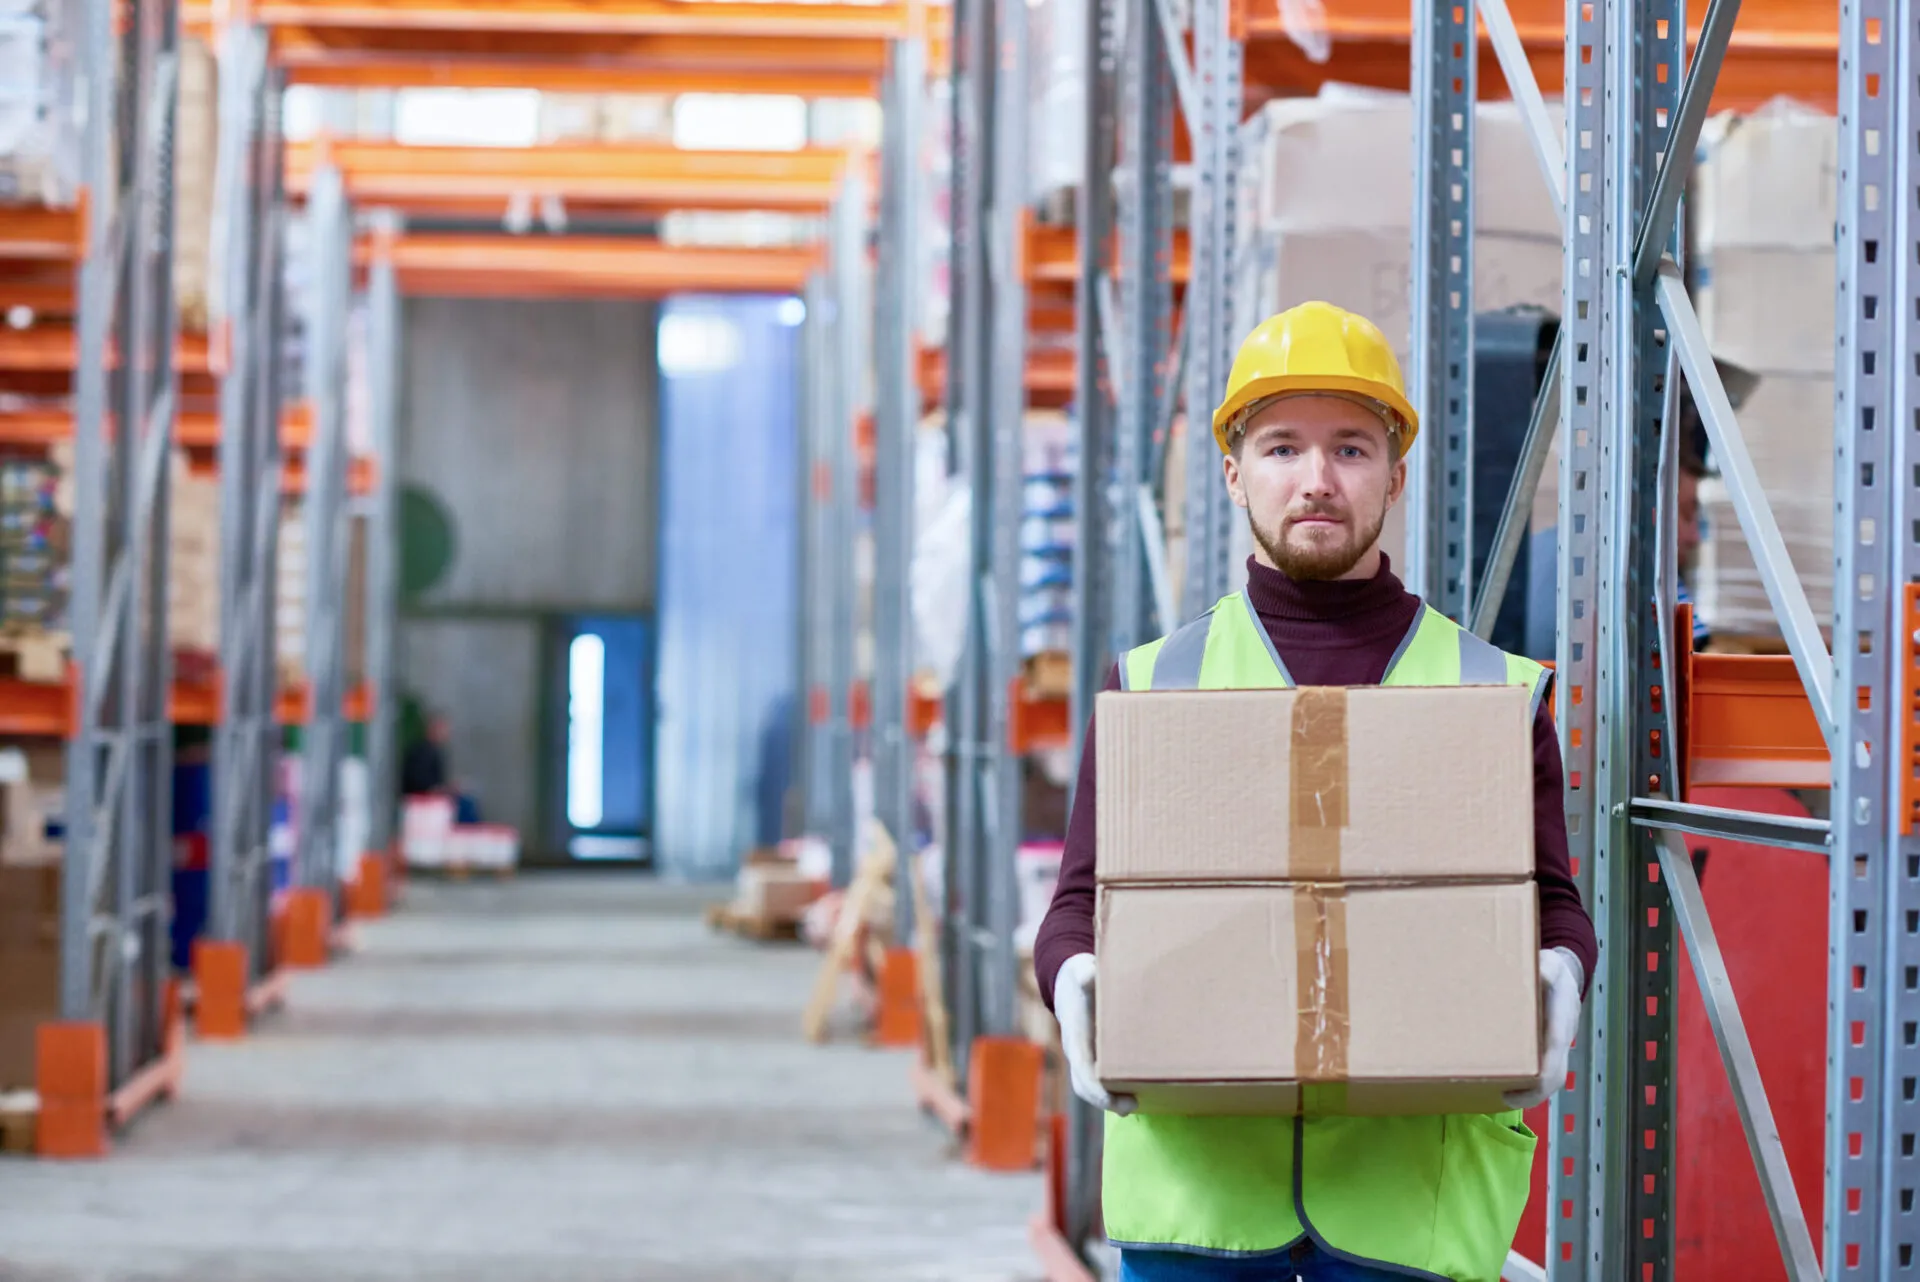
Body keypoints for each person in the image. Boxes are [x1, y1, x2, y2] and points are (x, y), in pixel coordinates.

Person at [1034, 301, 1598, 1282]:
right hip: (1200, 1211)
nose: (1317, 479)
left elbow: (1551, 901)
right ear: (1234, 473)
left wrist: (1558, 972)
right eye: (1283, 447)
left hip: (1410, 1211)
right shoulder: (1157, 684)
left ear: (1396, 476)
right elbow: (1081, 905)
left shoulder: (1490, 692)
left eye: (1350, 448)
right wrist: (1075, 980)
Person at [401, 711, 480, 824]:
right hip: (422, 798)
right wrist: (440, 789)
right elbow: (417, 781)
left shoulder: (434, 751)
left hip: (431, 794)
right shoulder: (421, 752)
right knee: (466, 805)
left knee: (467, 800)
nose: (446, 733)